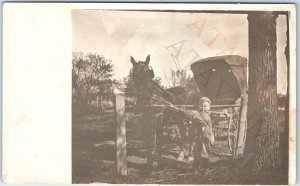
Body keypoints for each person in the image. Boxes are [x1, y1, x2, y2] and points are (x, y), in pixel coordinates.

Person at [187, 97, 215, 169]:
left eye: (205, 106)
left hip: (206, 135)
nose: (203, 108)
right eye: (201, 106)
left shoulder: (209, 115)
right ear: (198, 106)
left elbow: (210, 126)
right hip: (197, 135)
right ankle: (196, 164)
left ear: (209, 107)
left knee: (206, 148)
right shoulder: (196, 114)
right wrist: (191, 121)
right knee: (196, 148)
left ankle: (205, 164)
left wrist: (211, 135)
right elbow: (192, 122)